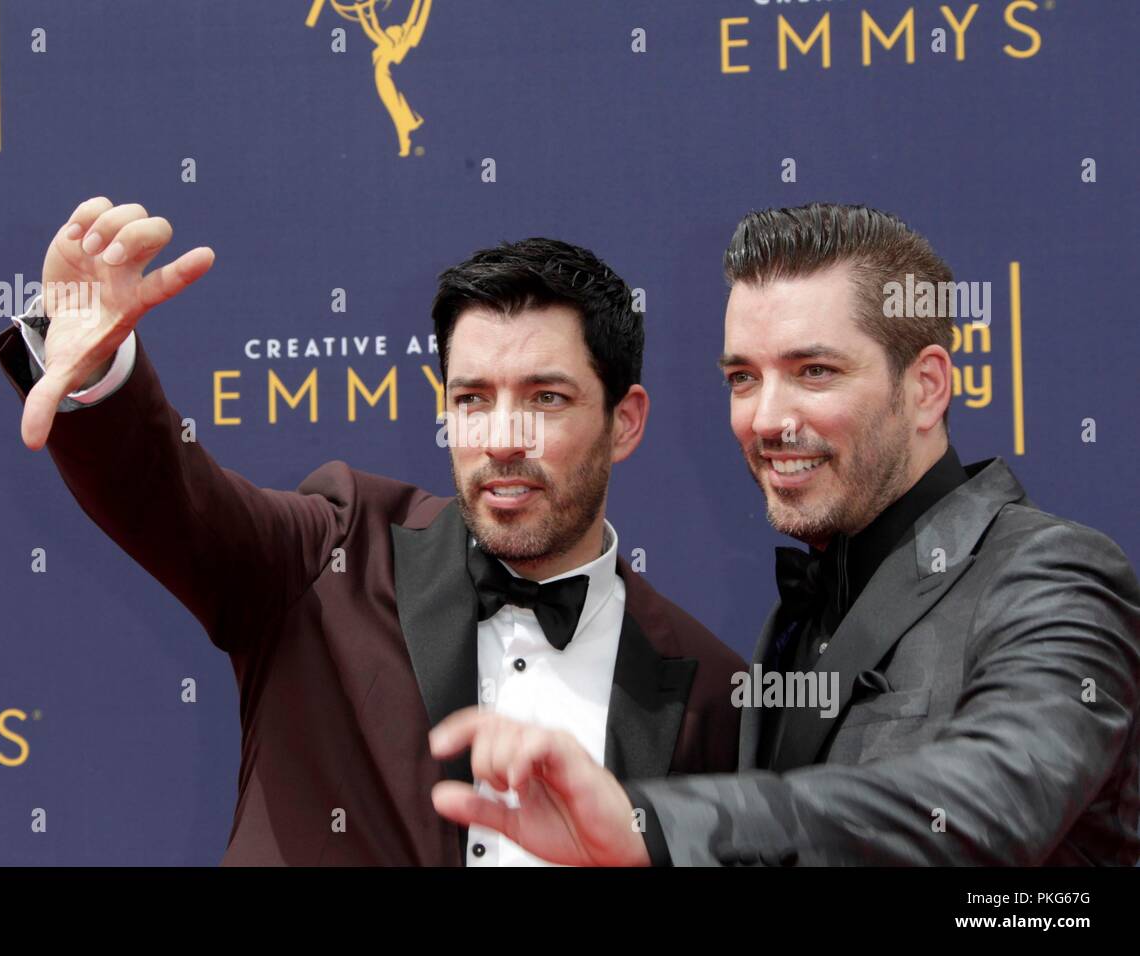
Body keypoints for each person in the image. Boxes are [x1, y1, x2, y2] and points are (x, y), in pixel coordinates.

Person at [0, 196, 744, 865]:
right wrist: (99, 371)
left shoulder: (713, 691)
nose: (503, 438)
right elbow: (172, 502)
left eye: (546, 398)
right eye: (473, 398)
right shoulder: (333, 554)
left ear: (624, 421)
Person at [429, 203, 1140, 866]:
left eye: (814, 371)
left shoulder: (1051, 574)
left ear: (925, 387)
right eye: (744, 378)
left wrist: (652, 823)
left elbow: (994, 800)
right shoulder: (795, 621)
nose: (766, 419)